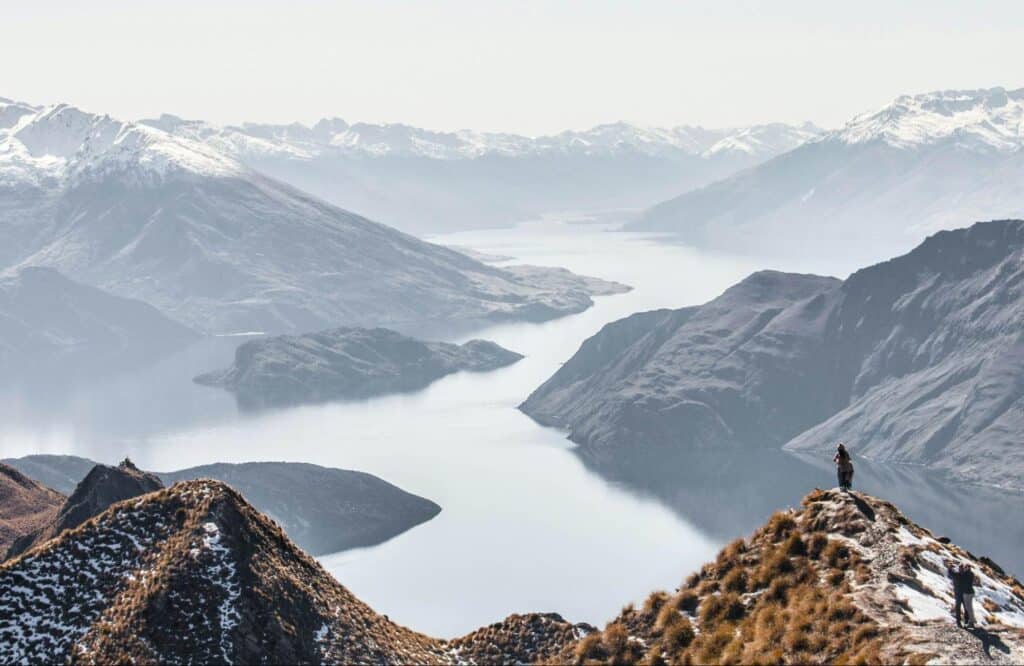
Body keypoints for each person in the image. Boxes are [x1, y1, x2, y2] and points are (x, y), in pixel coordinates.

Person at [947, 562, 965, 626]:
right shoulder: (965, 576)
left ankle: (958, 621)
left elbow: (950, 573)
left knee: (958, 607)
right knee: (966, 608)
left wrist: (950, 567)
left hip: (958, 594)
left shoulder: (956, 575)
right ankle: (966, 621)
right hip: (965, 594)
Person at [959, 563, 977, 628]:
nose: (965, 568)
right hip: (970, 592)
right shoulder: (971, 574)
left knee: (968, 608)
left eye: (966, 567)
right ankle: (972, 620)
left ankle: (971, 622)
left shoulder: (966, 574)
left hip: (967, 593)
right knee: (969, 607)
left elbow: (962, 579)